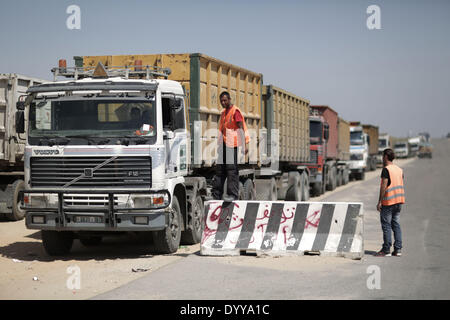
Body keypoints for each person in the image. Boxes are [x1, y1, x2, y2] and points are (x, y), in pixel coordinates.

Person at [211, 91, 249, 201]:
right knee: (220, 171)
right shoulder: (224, 113)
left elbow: (241, 128)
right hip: (224, 144)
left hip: (232, 144)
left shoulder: (235, 111)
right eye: (221, 101)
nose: (223, 102)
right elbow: (222, 130)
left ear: (229, 99)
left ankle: (233, 194)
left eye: (225, 100)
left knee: (231, 170)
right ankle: (216, 195)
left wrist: (244, 145)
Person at [375, 148, 405, 257]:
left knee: (386, 225)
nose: (382, 158)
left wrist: (379, 202)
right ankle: (398, 250)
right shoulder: (399, 170)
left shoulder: (386, 170)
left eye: (383, 156)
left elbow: (384, 186)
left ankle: (386, 250)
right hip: (399, 201)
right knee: (396, 225)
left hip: (389, 202)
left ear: (386, 157)